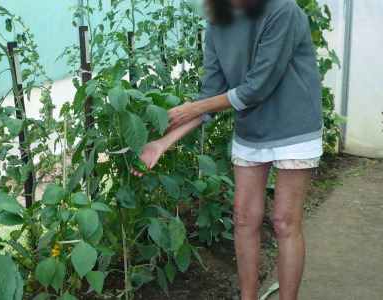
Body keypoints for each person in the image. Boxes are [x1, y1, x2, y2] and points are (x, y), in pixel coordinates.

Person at [130, 0, 323, 299]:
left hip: (294, 127)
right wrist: (162, 143)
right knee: (244, 217)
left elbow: (257, 86)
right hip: (251, 130)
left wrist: (191, 108)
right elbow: (212, 94)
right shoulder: (217, 22)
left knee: (284, 222)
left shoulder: (281, 9)